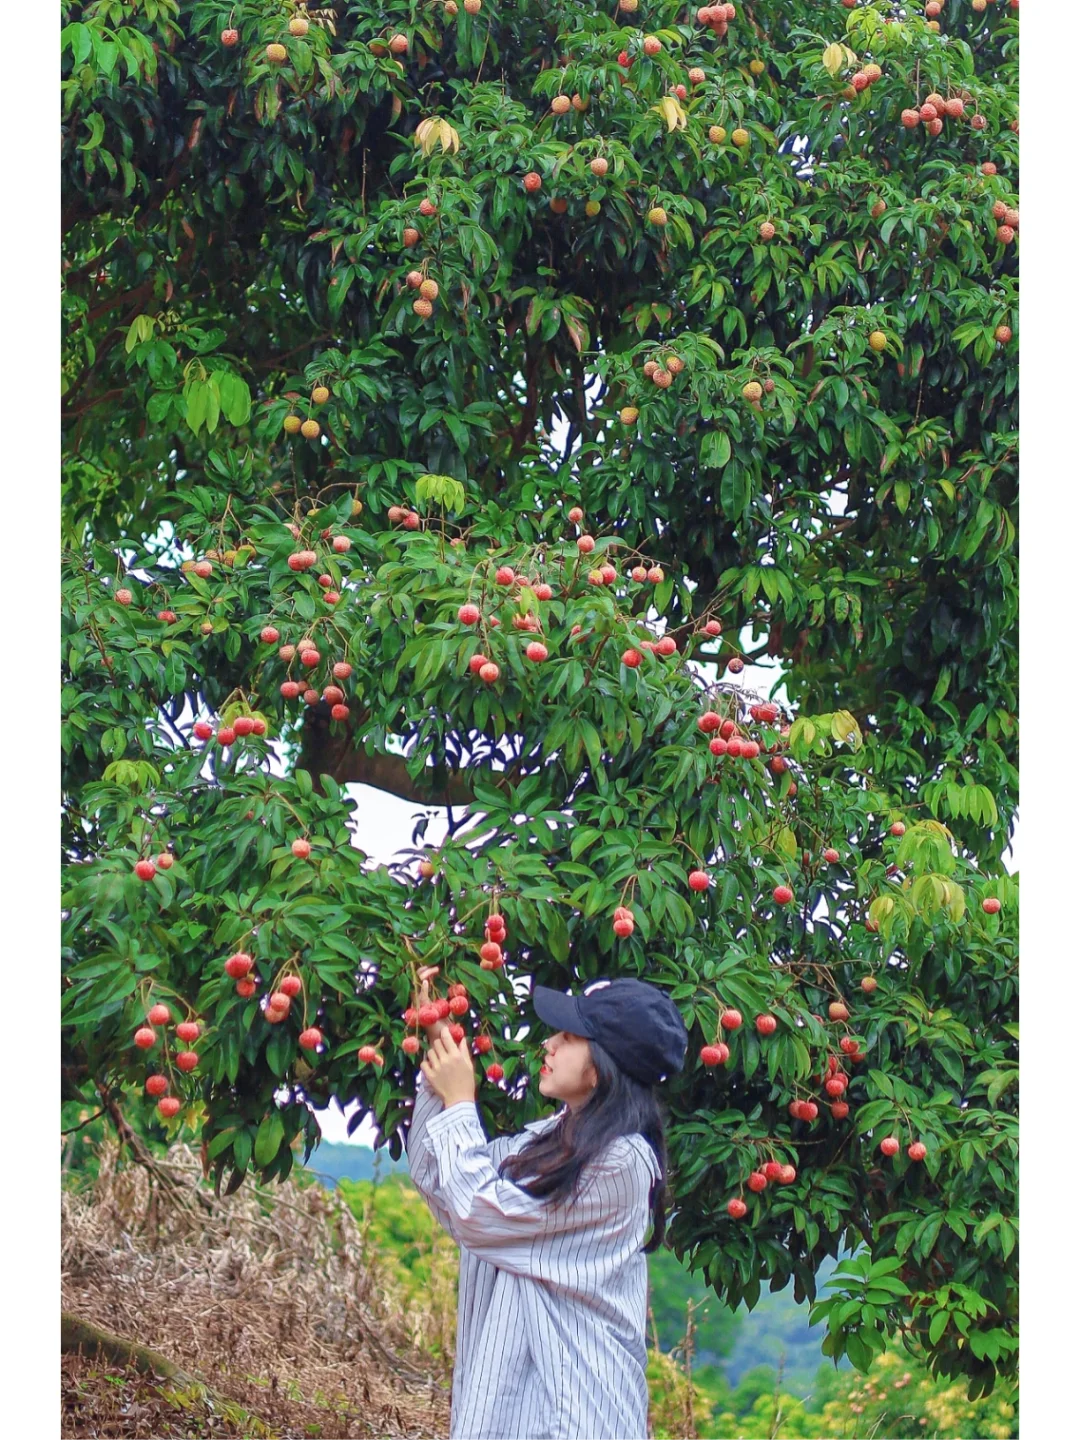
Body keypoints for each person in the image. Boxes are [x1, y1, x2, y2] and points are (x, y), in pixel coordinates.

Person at [404, 966, 689, 1440]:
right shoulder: (549, 1140)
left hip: (570, 1417)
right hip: (510, 1411)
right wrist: (440, 1042)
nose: (549, 1045)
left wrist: (460, 1103)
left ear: (603, 1064)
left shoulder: (620, 1163)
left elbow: (480, 1213)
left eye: (569, 1037)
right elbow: (441, 1182)